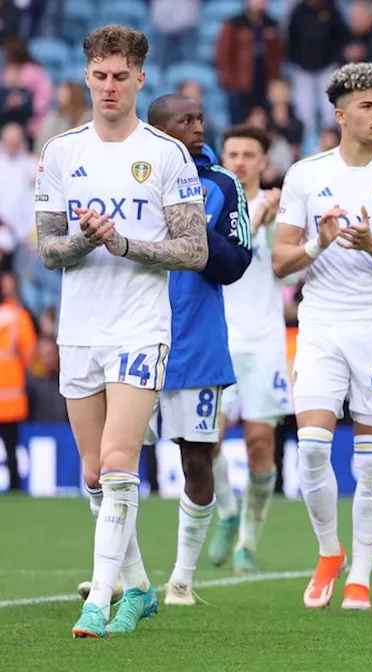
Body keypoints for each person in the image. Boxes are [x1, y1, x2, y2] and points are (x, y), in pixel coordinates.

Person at [34, 25, 210, 638]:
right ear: (87, 76)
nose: (109, 86)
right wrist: (87, 236)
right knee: (91, 473)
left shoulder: (166, 153)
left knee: (116, 462)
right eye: (100, 75)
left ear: (140, 78)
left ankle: (99, 601)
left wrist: (122, 240)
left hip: (140, 327)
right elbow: (50, 252)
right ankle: (137, 585)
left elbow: (193, 249)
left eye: (121, 76)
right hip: (80, 330)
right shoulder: (61, 152)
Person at [271, 62, 372, 611]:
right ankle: (328, 552)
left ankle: (361, 575)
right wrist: (322, 244)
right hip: (320, 321)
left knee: (369, 461)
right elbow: (279, 263)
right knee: (312, 448)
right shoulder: (305, 175)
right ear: (340, 114)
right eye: (367, 106)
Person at [141, 95, 253, 609]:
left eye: (200, 119)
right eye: (185, 121)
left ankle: (182, 580)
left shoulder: (224, 186)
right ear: (158, 131)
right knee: (113, 463)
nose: (198, 128)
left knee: (197, 461)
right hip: (135, 335)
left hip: (196, 342)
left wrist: (192, 225)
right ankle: (122, 575)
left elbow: (233, 265)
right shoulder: (130, 178)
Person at [207, 124, 297, 575]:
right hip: (218, 339)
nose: (239, 161)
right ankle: (224, 510)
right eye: (232, 153)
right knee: (208, 440)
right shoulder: (214, 206)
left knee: (262, 445)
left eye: (249, 154)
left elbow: (293, 276)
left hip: (264, 343)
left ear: (264, 162)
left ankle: (247, 541)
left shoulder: (284, 213)